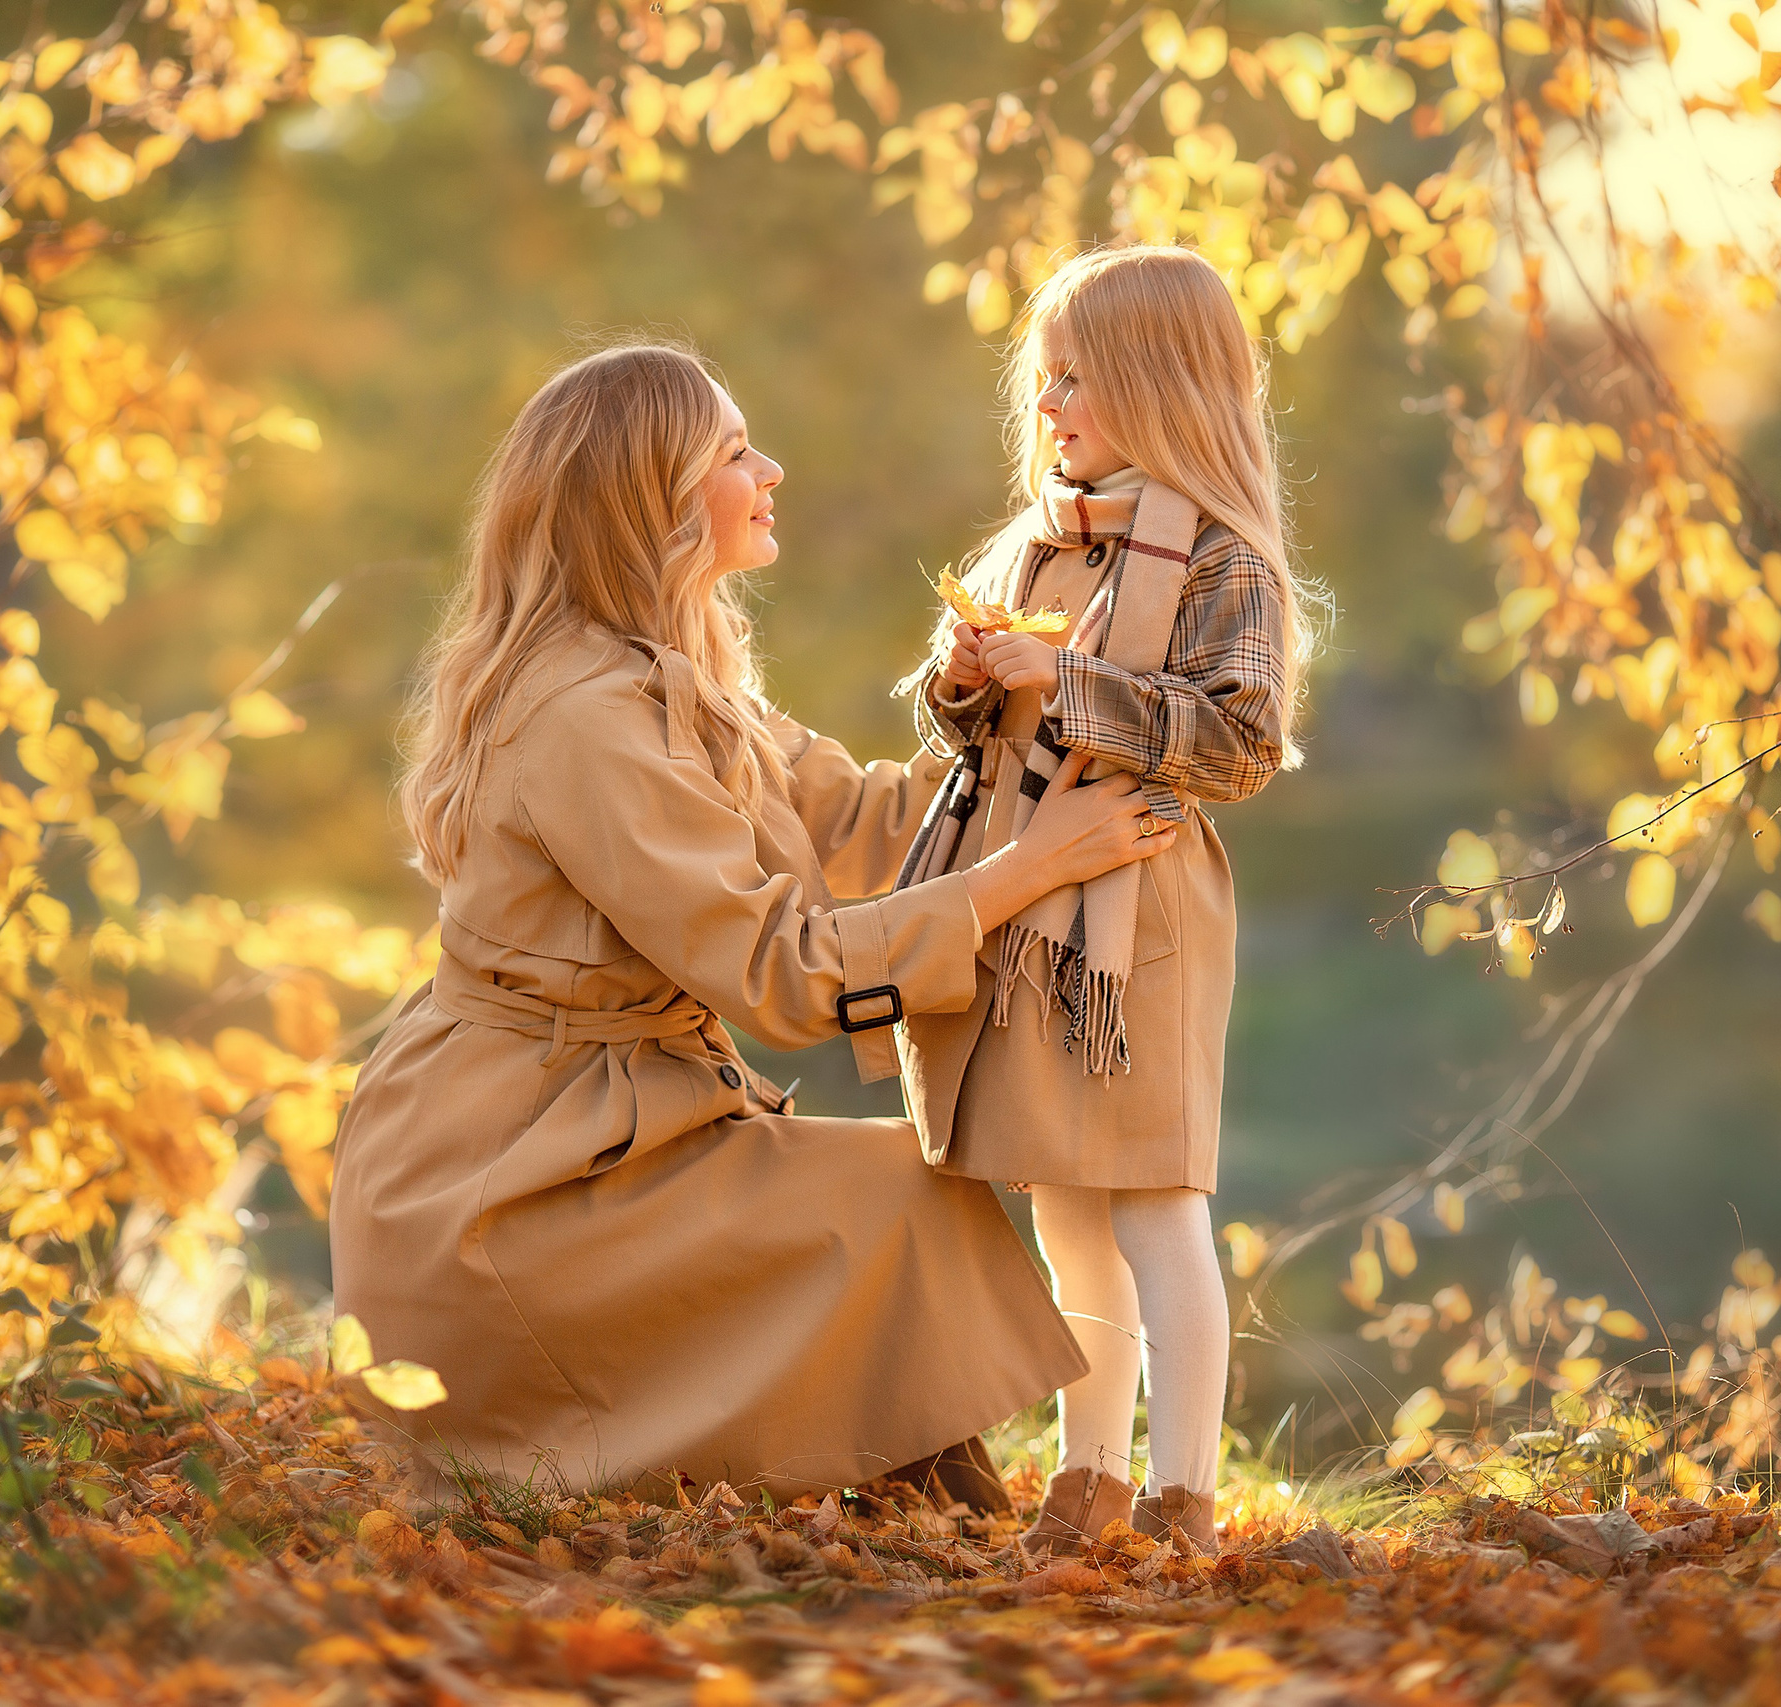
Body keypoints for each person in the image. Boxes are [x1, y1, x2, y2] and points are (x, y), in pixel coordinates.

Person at [328, 341, 1180, 1505]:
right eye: (734, 452)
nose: (769, 470)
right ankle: (921, 1515)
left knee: (901, 1190)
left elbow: (868, 818)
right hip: (501, 1198)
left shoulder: (668, 672)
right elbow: (782, 975)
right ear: (653, 499)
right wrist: (1029, 869)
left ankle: (928, 1511)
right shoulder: (587, 716)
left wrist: (1026, 715)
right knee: (897, 1194)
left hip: (588, 1135)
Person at [896, 248, 1311, 1554]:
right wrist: (966, 678)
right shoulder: (1036, 544)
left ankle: (1184, 1496)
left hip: (1142, 911)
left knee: (1153, 1202)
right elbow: (977, 738)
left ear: (1162, 384)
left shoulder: (1221, 560)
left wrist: (1066, 685)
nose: (1049, 403)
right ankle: (1088, 1483)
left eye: (1078, 377)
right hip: (1037, 904)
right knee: (1066, 1204)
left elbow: (1239, 745)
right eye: (1046, 376)